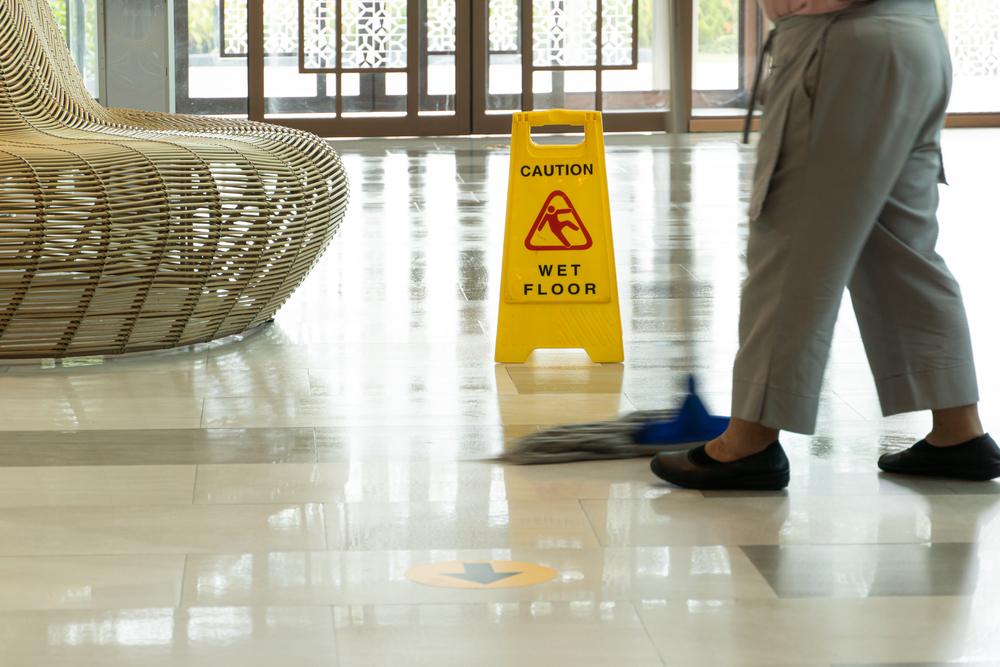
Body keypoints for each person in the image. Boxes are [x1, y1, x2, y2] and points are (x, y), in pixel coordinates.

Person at [651, 0, 1000, 490]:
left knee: (793, 243)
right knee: (899, 250)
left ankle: (749, 440)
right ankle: (959, 431)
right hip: (915, 36)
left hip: (842, 45)